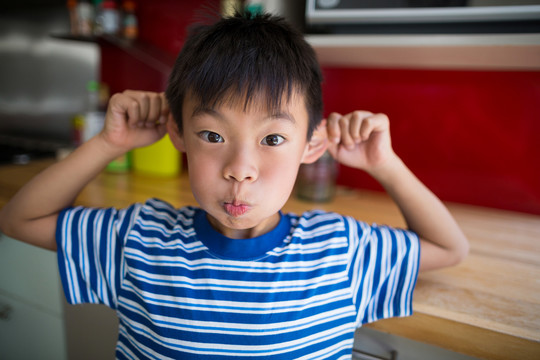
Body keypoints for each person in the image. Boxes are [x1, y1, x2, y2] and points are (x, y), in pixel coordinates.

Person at [0, 11, 468, 360]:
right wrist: (108, 143)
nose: (240, 169)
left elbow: (448, 248)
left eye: (273, 138)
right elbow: (20, 220)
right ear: (178, 133)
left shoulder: (340, 251)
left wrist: (384, 164)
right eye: (213, 135)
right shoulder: (140, 239)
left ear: (311, 144)